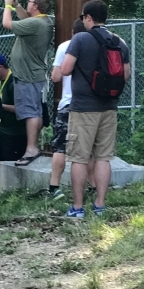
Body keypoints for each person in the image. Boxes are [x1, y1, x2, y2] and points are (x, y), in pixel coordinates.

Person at [60, 0, 130, 218]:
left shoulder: (80, 39)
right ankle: (100, 205)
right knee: (103, 157)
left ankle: (78, 207)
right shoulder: (119, 42)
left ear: (88, 17)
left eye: (83, 17)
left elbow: (65, 69)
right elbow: (125, 75)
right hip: (109, 107)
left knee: (79, 158)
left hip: (83, 109)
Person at [1, 0, 54, 165]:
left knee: (30, 112)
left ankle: (31, 149)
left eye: (29, 1)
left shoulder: (36, 24)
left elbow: (6, 23)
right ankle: (34, 147)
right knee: (35, 111)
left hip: (27, 75)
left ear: (36, 6)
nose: (28, 3)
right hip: (32, 74)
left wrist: (8, 5)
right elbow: (25, 20)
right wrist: (18, 6)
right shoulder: (39, 22)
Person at [48, 17, 87, 199]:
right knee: (89, 148)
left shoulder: (65, 46)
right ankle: (92, 186)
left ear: (73, 33)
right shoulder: (94, 45)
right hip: (88, 104)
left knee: (60, 147)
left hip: (67, 103)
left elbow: (56, 77)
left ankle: (54, 187)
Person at [0, 53, 27, 178]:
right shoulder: (0, 81)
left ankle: (11, 190)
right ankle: (0, 188)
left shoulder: (13, 83)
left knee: (10, 163)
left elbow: (22, 108)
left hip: (13, 131)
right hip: (1, 128)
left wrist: (0, 106)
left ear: (0, 67)